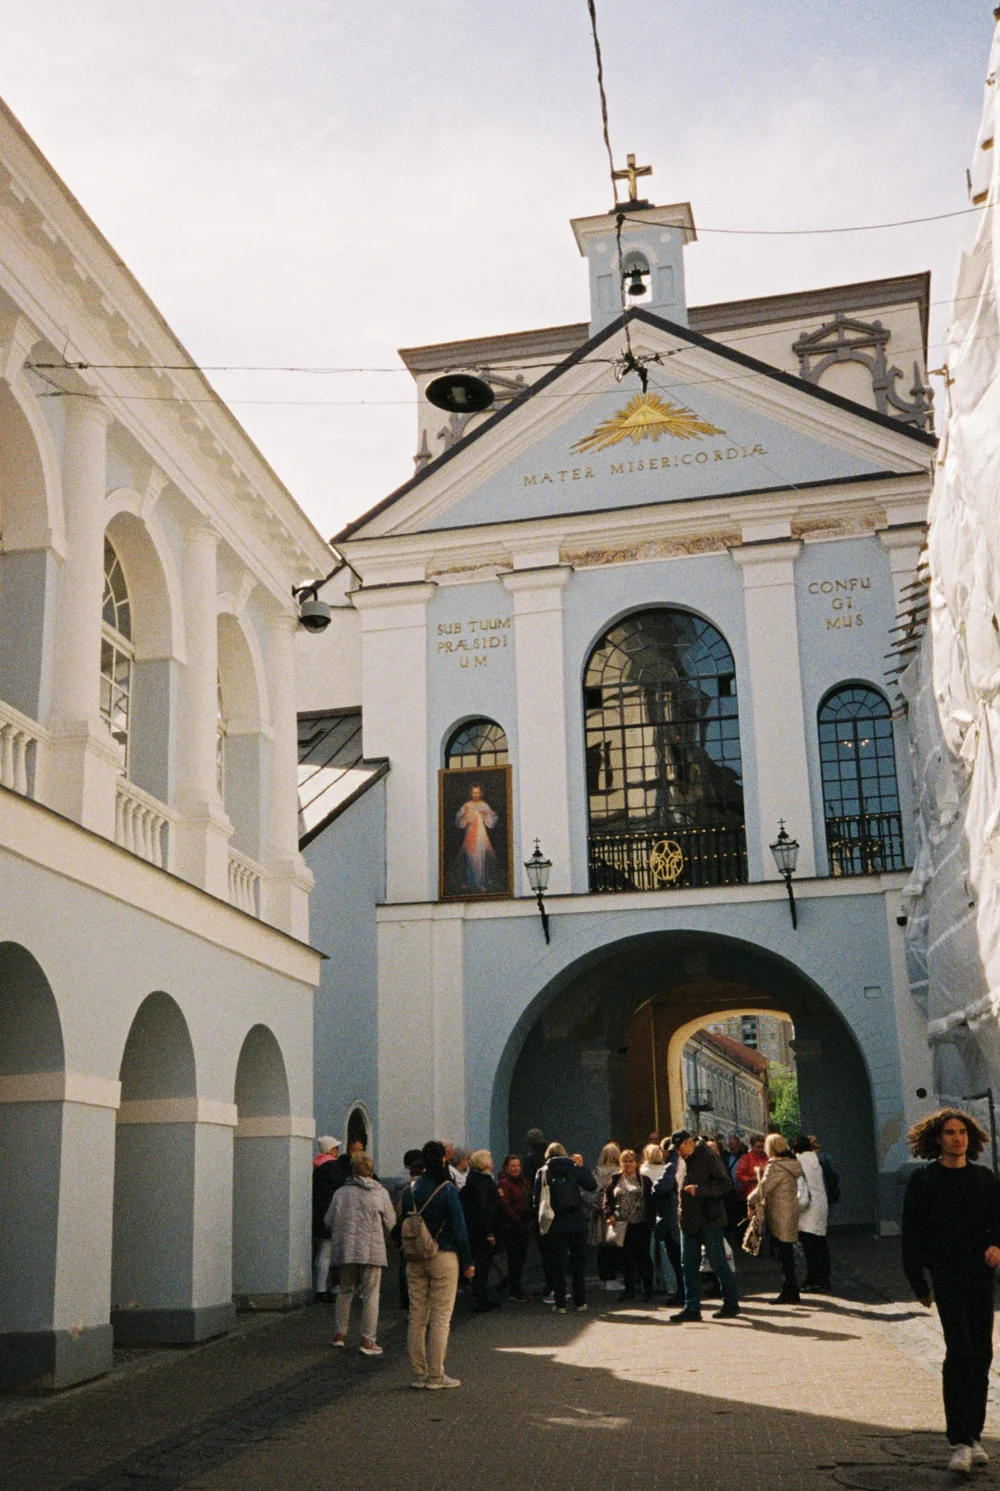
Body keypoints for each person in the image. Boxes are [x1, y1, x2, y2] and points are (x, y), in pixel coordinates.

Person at [902, 1108, 1000, 1475]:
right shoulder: (925, 1181)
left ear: (970, 1139)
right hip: (946, 1277)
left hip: (980, 1277)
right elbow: (911, 1236)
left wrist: (997, 1247)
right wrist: (918, 1283)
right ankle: (958, 1441)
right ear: (937, 1139)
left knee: (983, 1354)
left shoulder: (985, 1179)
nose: (957, 1138)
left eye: (962, 1133)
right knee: (959, 1351)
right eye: (950, 1133)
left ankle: (974, 1436)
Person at [399, 1139, 474, 1390]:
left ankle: (419, 1373)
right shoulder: (447, 1188)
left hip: (415, 1257)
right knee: (441, 1317)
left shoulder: (409, 1190)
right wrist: (468, 1260)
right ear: (443, 1160)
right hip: (443, 1254)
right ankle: (436, 1374)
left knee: (417, 1315)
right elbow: (460, 1227)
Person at [325, 1152, 397, 1355]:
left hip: (346, 1247)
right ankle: (368, 1340)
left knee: (345, 1290)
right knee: (371, 1294)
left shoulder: (341, 1193)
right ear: (371, 1170)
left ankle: (339, 1334)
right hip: (372, 1248)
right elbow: (391, 1222)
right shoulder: (380, 1192)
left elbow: (328, 1220)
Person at [669, 1130, 740, 1322]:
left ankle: (731, 1302)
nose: (677, 1152)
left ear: (688, 1143)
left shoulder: (708, 1156)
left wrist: (699, 1190)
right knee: (688, 1264)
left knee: (716, 1260)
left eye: (679, 1147)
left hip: (710, 1219)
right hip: (688, 1220)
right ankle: (691, 1307)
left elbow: (725, 1184)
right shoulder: (682, 1160)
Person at [534, 1142, 597, 1312]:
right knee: (578, 1264)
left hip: (555, 1223)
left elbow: (537, 1199)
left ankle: (560, 1303)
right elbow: (592, 1185)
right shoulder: (574, 1168)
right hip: (577, 1221)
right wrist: (581, 1167)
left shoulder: (543, 1171)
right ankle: (580, 1302)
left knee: (557, 1264)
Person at [747, 1133, 803, 1304]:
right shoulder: (792, 1163)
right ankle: (791, 1291)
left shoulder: (776, 1166)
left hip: (779, 1214)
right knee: (787, 1254)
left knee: (783, 1255)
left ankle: (789, 1291)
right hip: (789, 1211)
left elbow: (764, 1188)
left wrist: (750, 1200)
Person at [603, 1149, 655, 1301]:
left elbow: (651, 1201)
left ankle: (648, 1291)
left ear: (637, 1163)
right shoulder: (615, 1179)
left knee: (644, 1258)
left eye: (631, 1161)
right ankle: (629, 1290)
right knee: (626, 1258)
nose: (628, 1164)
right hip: (622, 1225)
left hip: (641, 1224)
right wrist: (609, 1214)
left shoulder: (644, 1180)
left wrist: (651, 1221)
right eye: (625, 1161)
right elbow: (606, 1200)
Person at [461, 1149, 503, 1313]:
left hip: (476, 1230)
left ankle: (481, 1296)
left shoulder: (474, 1180)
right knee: (483, 1264)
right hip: (483, 1231)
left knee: (482, 1264)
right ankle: (481, 1298)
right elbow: (483, 1208)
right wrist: (489, 1232)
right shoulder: (483, 1182)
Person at [792, 1134, 830, 1291]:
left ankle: (814, 1279)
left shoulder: (799, 1161)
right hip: (820, 1205)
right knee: (820, 1244)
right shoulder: (816, 1161)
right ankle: (824, 1278)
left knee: (810, 1248)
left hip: (807, 1208)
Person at [651, 1143, 684, 1305]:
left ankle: (683, 1293)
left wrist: (653, 1190)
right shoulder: (683, 1162)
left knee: (677, 1258)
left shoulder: (671, 1164)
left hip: (671, 1217)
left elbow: (661, 1186)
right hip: (681, 1214)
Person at [496, 1153, 532, 1301]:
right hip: (512, 1226)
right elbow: (505, 1205)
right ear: (506, 1168)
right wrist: (518, 1220)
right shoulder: (504, 1183)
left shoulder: (524, 1181)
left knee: (521, 1258)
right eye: (513, 1166)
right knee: (515, 1258)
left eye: (518, 1166)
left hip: (524, 1224)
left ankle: (510, 1284)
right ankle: (514, 1289)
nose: (516, 1169)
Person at [312, 1136, 343, 1301]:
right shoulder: (332, 1167)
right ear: (330, 1150)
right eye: (335, 1148)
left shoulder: (317, 1165)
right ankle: (322, 1289)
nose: (337, 1151)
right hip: (329, 1214)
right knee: (327, 1252)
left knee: (320, 1253)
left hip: (318, 1213)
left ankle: (319, 1287)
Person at [589, 1142, 624, 1292]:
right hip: (616, 1214)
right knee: (615, 1247)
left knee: (602, 1248)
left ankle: (604, 1279)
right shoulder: (620, 1171)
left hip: (600, 1215)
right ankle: (613, 1278)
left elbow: (591, 1192)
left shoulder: (597, 1172)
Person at [456, 784, 498, 893]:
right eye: (474, 792)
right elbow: (459, 822)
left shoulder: (484, 806)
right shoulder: (467, 805)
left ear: (480, 793)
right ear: (471, 793)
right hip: (470, 836)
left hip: (481, 836)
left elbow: (492, 820)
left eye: (477, 792)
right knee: (470, 858)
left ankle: (482, 883)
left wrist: (487, 814)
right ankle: (470, 882)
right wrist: (465, 814)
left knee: (482, 857)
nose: (476, 795)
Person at [734, 1133, 768, 1205]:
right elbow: (738, 1175)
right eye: (758, 1147)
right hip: (752, 1192)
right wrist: (751, 1179)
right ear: (752, 1146)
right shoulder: (746, 1158)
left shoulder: (766, 1158)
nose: (760, 1150)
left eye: (762, 1147)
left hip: (767, 1193)